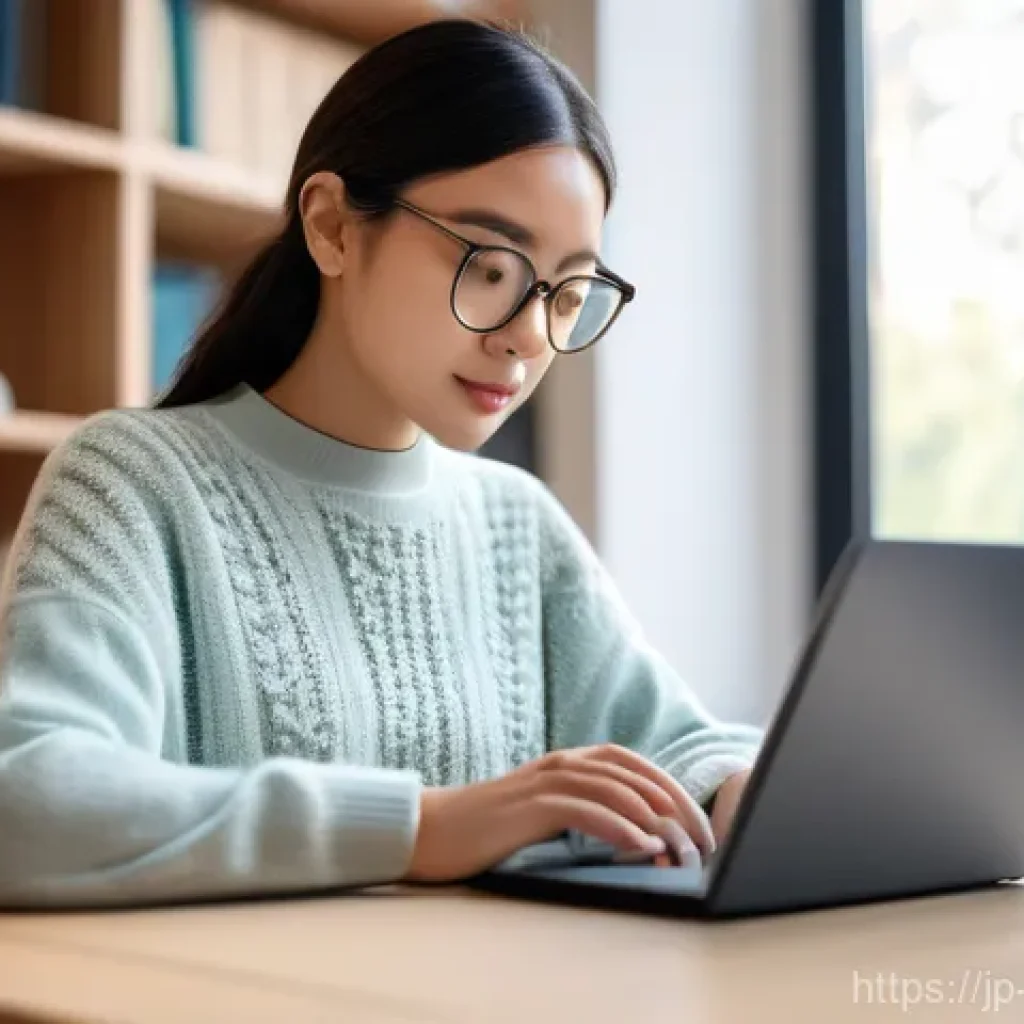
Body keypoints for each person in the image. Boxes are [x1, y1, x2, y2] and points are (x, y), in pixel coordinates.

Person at [0, 19, 761, 908]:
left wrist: (747, 795)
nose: (526, 335)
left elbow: (682, 747)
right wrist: (424, 829)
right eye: (490, 266)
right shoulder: (133, 481)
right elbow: (28, 805)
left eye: (567, 291)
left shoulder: (513, 522)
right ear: (331, 228)